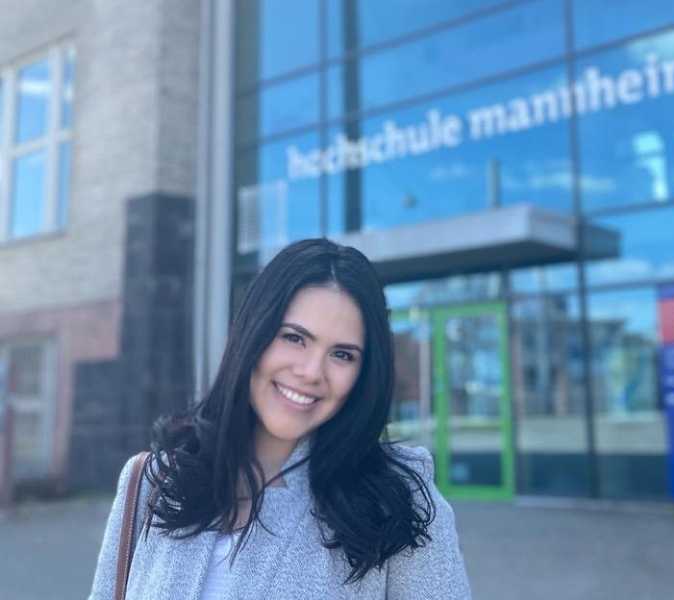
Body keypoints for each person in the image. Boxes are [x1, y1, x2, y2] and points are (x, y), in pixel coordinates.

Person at [89, 238, 472, 599]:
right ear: (253, 332)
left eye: (342, 354)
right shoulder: (157, 480)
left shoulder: (394, 502)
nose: (310, 371)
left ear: (364, 373)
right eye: (294, 337)